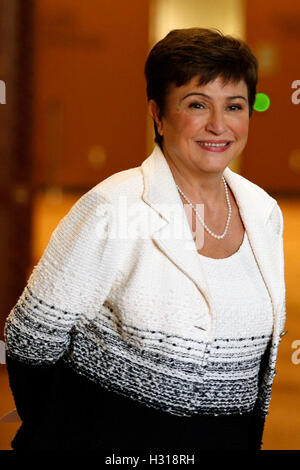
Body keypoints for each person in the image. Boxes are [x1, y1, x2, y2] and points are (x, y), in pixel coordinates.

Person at [4, 27, 287, 451]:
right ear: (158, 114)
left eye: (234, 106)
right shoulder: (113, 206)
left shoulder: (263, 211)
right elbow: (30, 341)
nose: (219, 125)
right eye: (196, 104)